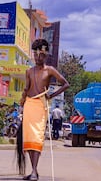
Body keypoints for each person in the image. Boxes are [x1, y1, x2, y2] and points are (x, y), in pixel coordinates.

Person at [19, 38, 69, 181]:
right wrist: (22, 103)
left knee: (37, 137)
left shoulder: (50, 70)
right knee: (28, 139)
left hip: (41, 106)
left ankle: (34, 171)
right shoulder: (29, 71)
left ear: (45, 55)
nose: (37, 57)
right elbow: (26, 88)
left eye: (40, 54)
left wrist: (51, 96)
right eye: (35, 54)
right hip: (29, 105)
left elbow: (65, 84)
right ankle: (33, 171)